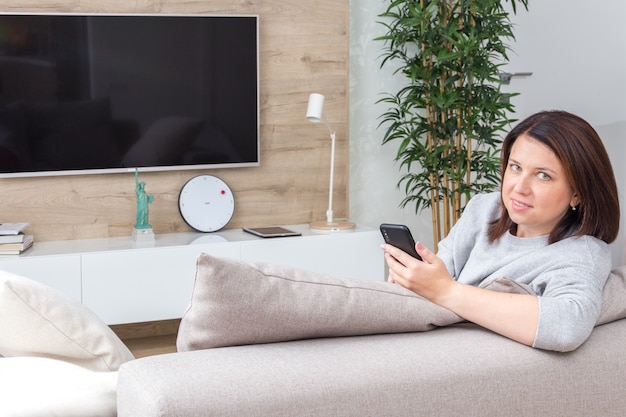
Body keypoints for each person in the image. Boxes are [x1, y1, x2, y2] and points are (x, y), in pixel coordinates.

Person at [381, 110, 620, 352]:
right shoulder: (484, 209)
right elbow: (438, 280)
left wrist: (445, 290)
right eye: (515, 167)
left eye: (543, 175)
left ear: (577, 193)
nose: (520, 187)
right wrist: (413, 280)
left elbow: (566, 327)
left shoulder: (582, 253)